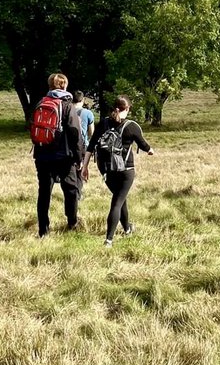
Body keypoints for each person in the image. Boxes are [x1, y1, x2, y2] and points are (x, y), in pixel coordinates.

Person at [82, 96, 155, 247]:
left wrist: (85, 166)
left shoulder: (103, 124)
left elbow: (90, 146)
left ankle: (127, 229)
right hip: (125, 170)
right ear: (127, 109)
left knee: (120, 199)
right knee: (117, 202)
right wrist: (150, 150)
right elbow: (143, 145)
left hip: (107, 170)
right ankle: (109, 240)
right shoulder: (131, 126)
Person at [31, 72, 86, 237]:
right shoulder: (67, 105)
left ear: (49, 86)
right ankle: (72, 223)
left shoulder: (40, 103)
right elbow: (75, 133)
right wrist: (79, 157)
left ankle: (43, 229)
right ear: (64, 86)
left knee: (44, 191)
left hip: (42, 155)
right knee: (70, 190)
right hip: (64, 156)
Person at [73, 90, 95, 203]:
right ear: (83, 100)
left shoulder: (67, 111)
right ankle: (78, 195)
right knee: (80, 170)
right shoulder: (87, 113)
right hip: (83, 146)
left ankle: (71, 193)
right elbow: (92, 132)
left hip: (68, 146)